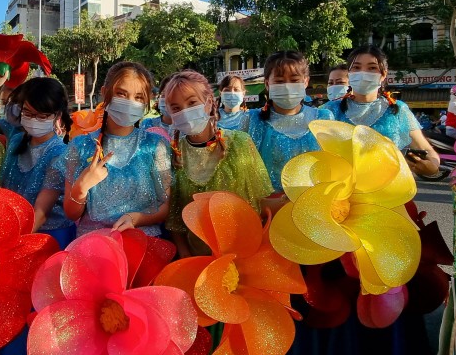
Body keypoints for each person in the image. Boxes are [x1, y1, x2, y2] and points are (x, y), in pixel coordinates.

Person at [163, 70, 272, 258]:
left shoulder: (240, 143)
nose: (185, 112)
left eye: (192, 103)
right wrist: (187, 257)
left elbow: (259, 203)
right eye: (176, 108)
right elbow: (175, 217)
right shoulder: (173, 154)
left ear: (208, 103)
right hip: (198, 258)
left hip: (244, 254)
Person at [61, 61, 171, 237]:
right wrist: (81, 187)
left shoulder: (154, 145)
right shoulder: (80, 146)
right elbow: (71, 213)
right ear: (105, 93)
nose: (130, 103)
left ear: (147, 101)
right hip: (93, 247)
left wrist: (136, 218)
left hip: (144, 244)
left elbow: (164, 206)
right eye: (121, 94)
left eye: (139, 97)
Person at [324, 45, 441, 178]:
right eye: (356, 67)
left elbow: (427, 150)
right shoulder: (330, 110)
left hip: (390, 192)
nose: (363, 72)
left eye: (372, 68)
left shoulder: (398, 110)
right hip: (343, 193)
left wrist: (431, 168)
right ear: (349, 74)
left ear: (383, 74)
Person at [240, 51, 334, 190]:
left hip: (315, 205)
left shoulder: (324, 118)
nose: (287, 86)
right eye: (279, 81)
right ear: (267, 83)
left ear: (306, 81)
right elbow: (244, 173)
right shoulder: (251, 120)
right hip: (269, 208)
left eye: (294, 80)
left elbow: (333, 167)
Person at [0, 77, 75, 249]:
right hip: (11, 232)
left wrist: (7, 247)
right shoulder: (16, 140)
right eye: (27, 113)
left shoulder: (60, 153)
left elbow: (40, 213)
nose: (33, 120)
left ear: (57, 115)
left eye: (42, 116)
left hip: (48, 238)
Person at [140, 75, 175, 139]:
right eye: (163, 94)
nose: (167, 99)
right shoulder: (147, 124)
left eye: (173, 95)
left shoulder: (187, 130)